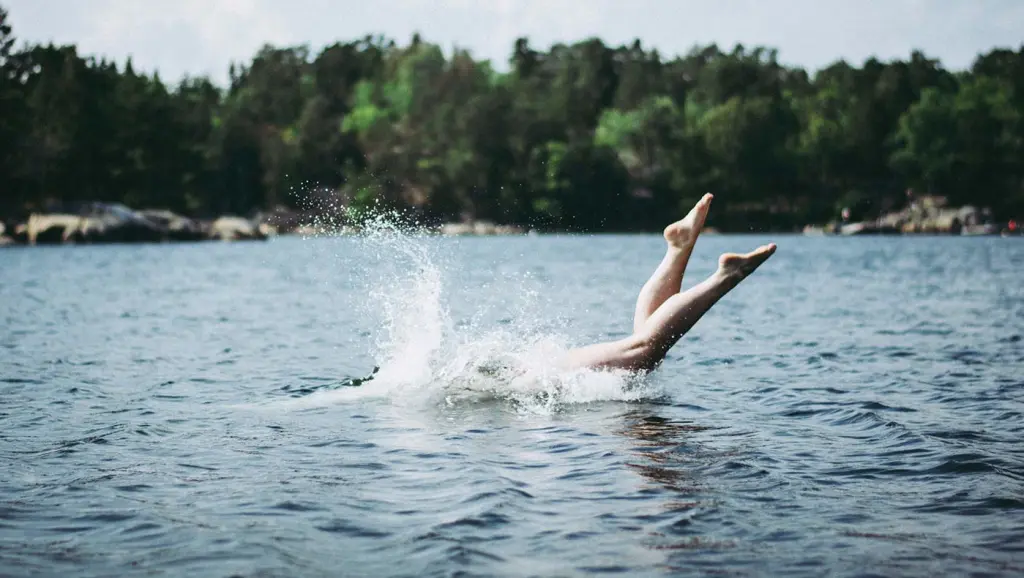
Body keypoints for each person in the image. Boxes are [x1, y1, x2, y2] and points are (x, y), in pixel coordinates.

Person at [566, 193, 776, 373]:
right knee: (642, 347)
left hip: (539, 373)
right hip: (539, 368)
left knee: (642, 350)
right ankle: (679, 249)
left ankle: (726, 276)